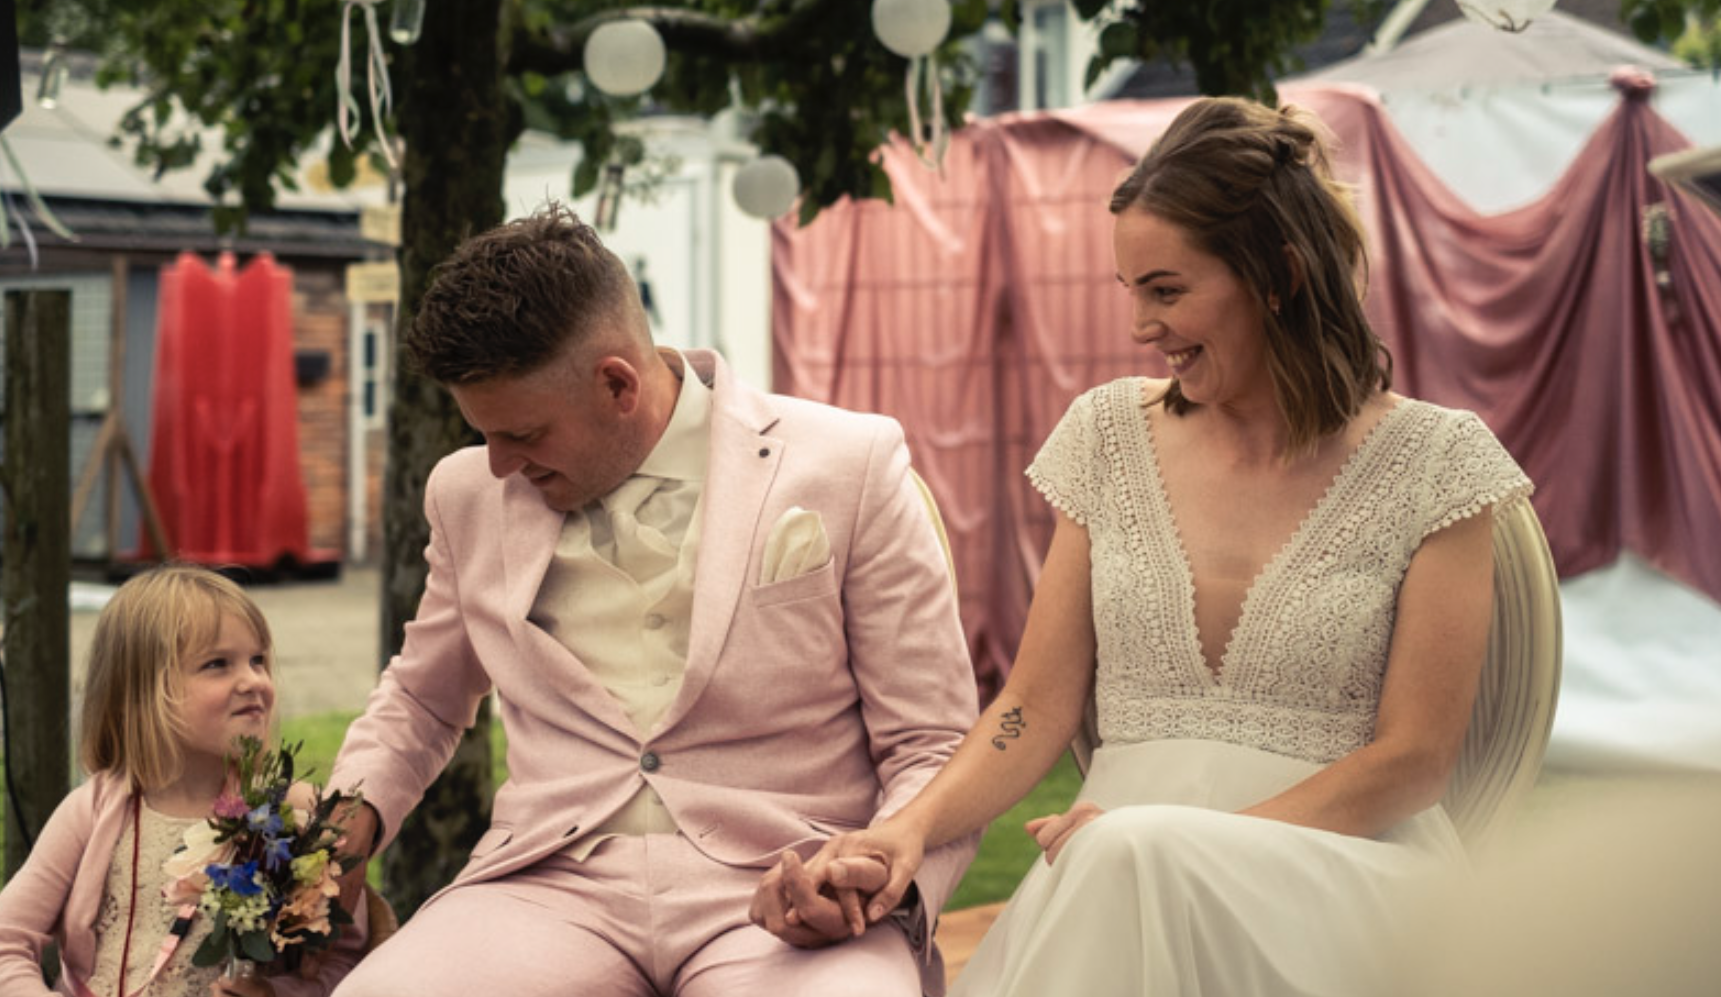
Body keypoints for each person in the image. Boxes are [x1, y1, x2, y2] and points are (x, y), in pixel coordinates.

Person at [765, 97, 1534, 996]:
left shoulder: (1439, 462)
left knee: (1125, 860)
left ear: (1280, 275)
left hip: (1338, 890)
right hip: (1108, 879)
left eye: (1166, 291)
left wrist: (1170, 842)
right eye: (1130, 291)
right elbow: (1033, 706)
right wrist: (907, 828)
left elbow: (1415, 761)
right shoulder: (1106, 436)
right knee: (1119, 869)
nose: (1140, 327)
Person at [326, 206, 979, 997]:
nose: (497, 466)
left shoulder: (848, 463)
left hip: (788, 883)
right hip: (547, 887)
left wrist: (873, 875)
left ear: (617, 385)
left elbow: (932, 740)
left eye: (522, 435)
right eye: (483, 435)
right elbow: (421, 701)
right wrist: (350, 816)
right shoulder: (463, 495)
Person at [0, 565, 366, 997]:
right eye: (217, 664)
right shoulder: (92, 810)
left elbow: (348, 962)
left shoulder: (293, 816)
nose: (253, 680)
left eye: (258, 660)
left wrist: (277, 994)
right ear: (138, 691)